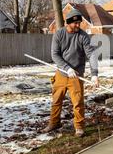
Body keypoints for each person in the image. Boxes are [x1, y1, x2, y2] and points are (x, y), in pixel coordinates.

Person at [42, 9, 99, 137]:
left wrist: (94, 74)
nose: (78, 25)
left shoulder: (83, 36)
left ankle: (79, 127)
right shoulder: (59, 34)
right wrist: (67, 68)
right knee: (56, 100)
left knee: (78, 102)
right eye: (75, 23)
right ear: (68, 23)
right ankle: (54, 123)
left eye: (79, 23)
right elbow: (55, 55)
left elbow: (91, 54)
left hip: (77, 75)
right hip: (62, 73)